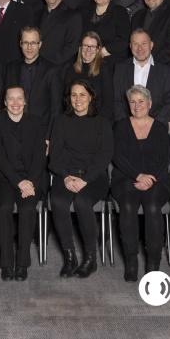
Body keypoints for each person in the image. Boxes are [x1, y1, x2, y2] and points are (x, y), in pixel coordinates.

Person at [49, 80, 114, 279]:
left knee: (82, 202)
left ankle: (90, 258)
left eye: (82, 94)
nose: (78, 99)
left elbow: (105, 155)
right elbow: (55, 155)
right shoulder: (61, 120)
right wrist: (65, 177)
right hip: (67, 175)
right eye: (74, 95)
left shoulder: (102, 122)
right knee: (58, 200)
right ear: (69, 98)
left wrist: (85, 179)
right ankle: (70, 257)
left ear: (91, 97)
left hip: (94, 176)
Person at [0, 86, 47, 282]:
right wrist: (19, 182)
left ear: (25, 101)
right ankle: (6, 263)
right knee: (4, 206)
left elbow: (39, 157)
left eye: (19, 98)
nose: (15, 103)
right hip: (1, 177)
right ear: (5, 102)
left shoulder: (36, 122)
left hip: (30, 178)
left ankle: (22, 263)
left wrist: (30, 182)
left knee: (27, 208)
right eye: (11, 99)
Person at [112, 85, 170, 282]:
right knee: (128, 206)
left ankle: (153, 262)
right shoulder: (120, 126)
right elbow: (117, 156)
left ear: (150, 104)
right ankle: (131, 261)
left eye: (141, 101)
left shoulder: (160, 128)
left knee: (152, 206)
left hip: (157, 179)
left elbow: (165, 159)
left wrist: (149, 179)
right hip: (125, 178)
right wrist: (137, 175)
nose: (137, 105)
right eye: (132, 101)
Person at [4, 26, 63, 138]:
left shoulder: (52, 70)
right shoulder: (11, 68)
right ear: (20, 44)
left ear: (40, 44)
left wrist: (49, 137)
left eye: (33, 43)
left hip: (42, 132)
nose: (29, 47)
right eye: (25, 43)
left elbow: (56, 109)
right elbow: (6, 102)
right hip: (14, 132)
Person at [113, 29, 170, 125]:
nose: (140, 48)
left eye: (144, 43)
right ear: (130, 46)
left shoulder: (166, 71)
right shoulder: (120, 69)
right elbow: (116, 101)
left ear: (151, 45)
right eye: (135, 44)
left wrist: (154, 125)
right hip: (126, 127)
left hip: (156, 127)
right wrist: (126, 125)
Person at [63, 32, 114, 123]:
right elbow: (67, 99)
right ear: (80, 47)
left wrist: (99, 123)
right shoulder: (71, 69)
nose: (88, 50)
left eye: (93, 46)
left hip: (97, 121)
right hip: (75, 120)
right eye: (85, 45)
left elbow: (108, 102)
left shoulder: (103, 68)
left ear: (98, 49)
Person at [81, 0, 131, 66]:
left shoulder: (120, 12)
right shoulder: (84, 11)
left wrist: (102, 51)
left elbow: (123, 41)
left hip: (110, 62)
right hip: (86, 60)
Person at [34, 0, 82, 66]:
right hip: (35, 66)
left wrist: (50, 64)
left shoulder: (73, 16)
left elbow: (71, 49)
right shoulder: (36, 15)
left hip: (58, 68)